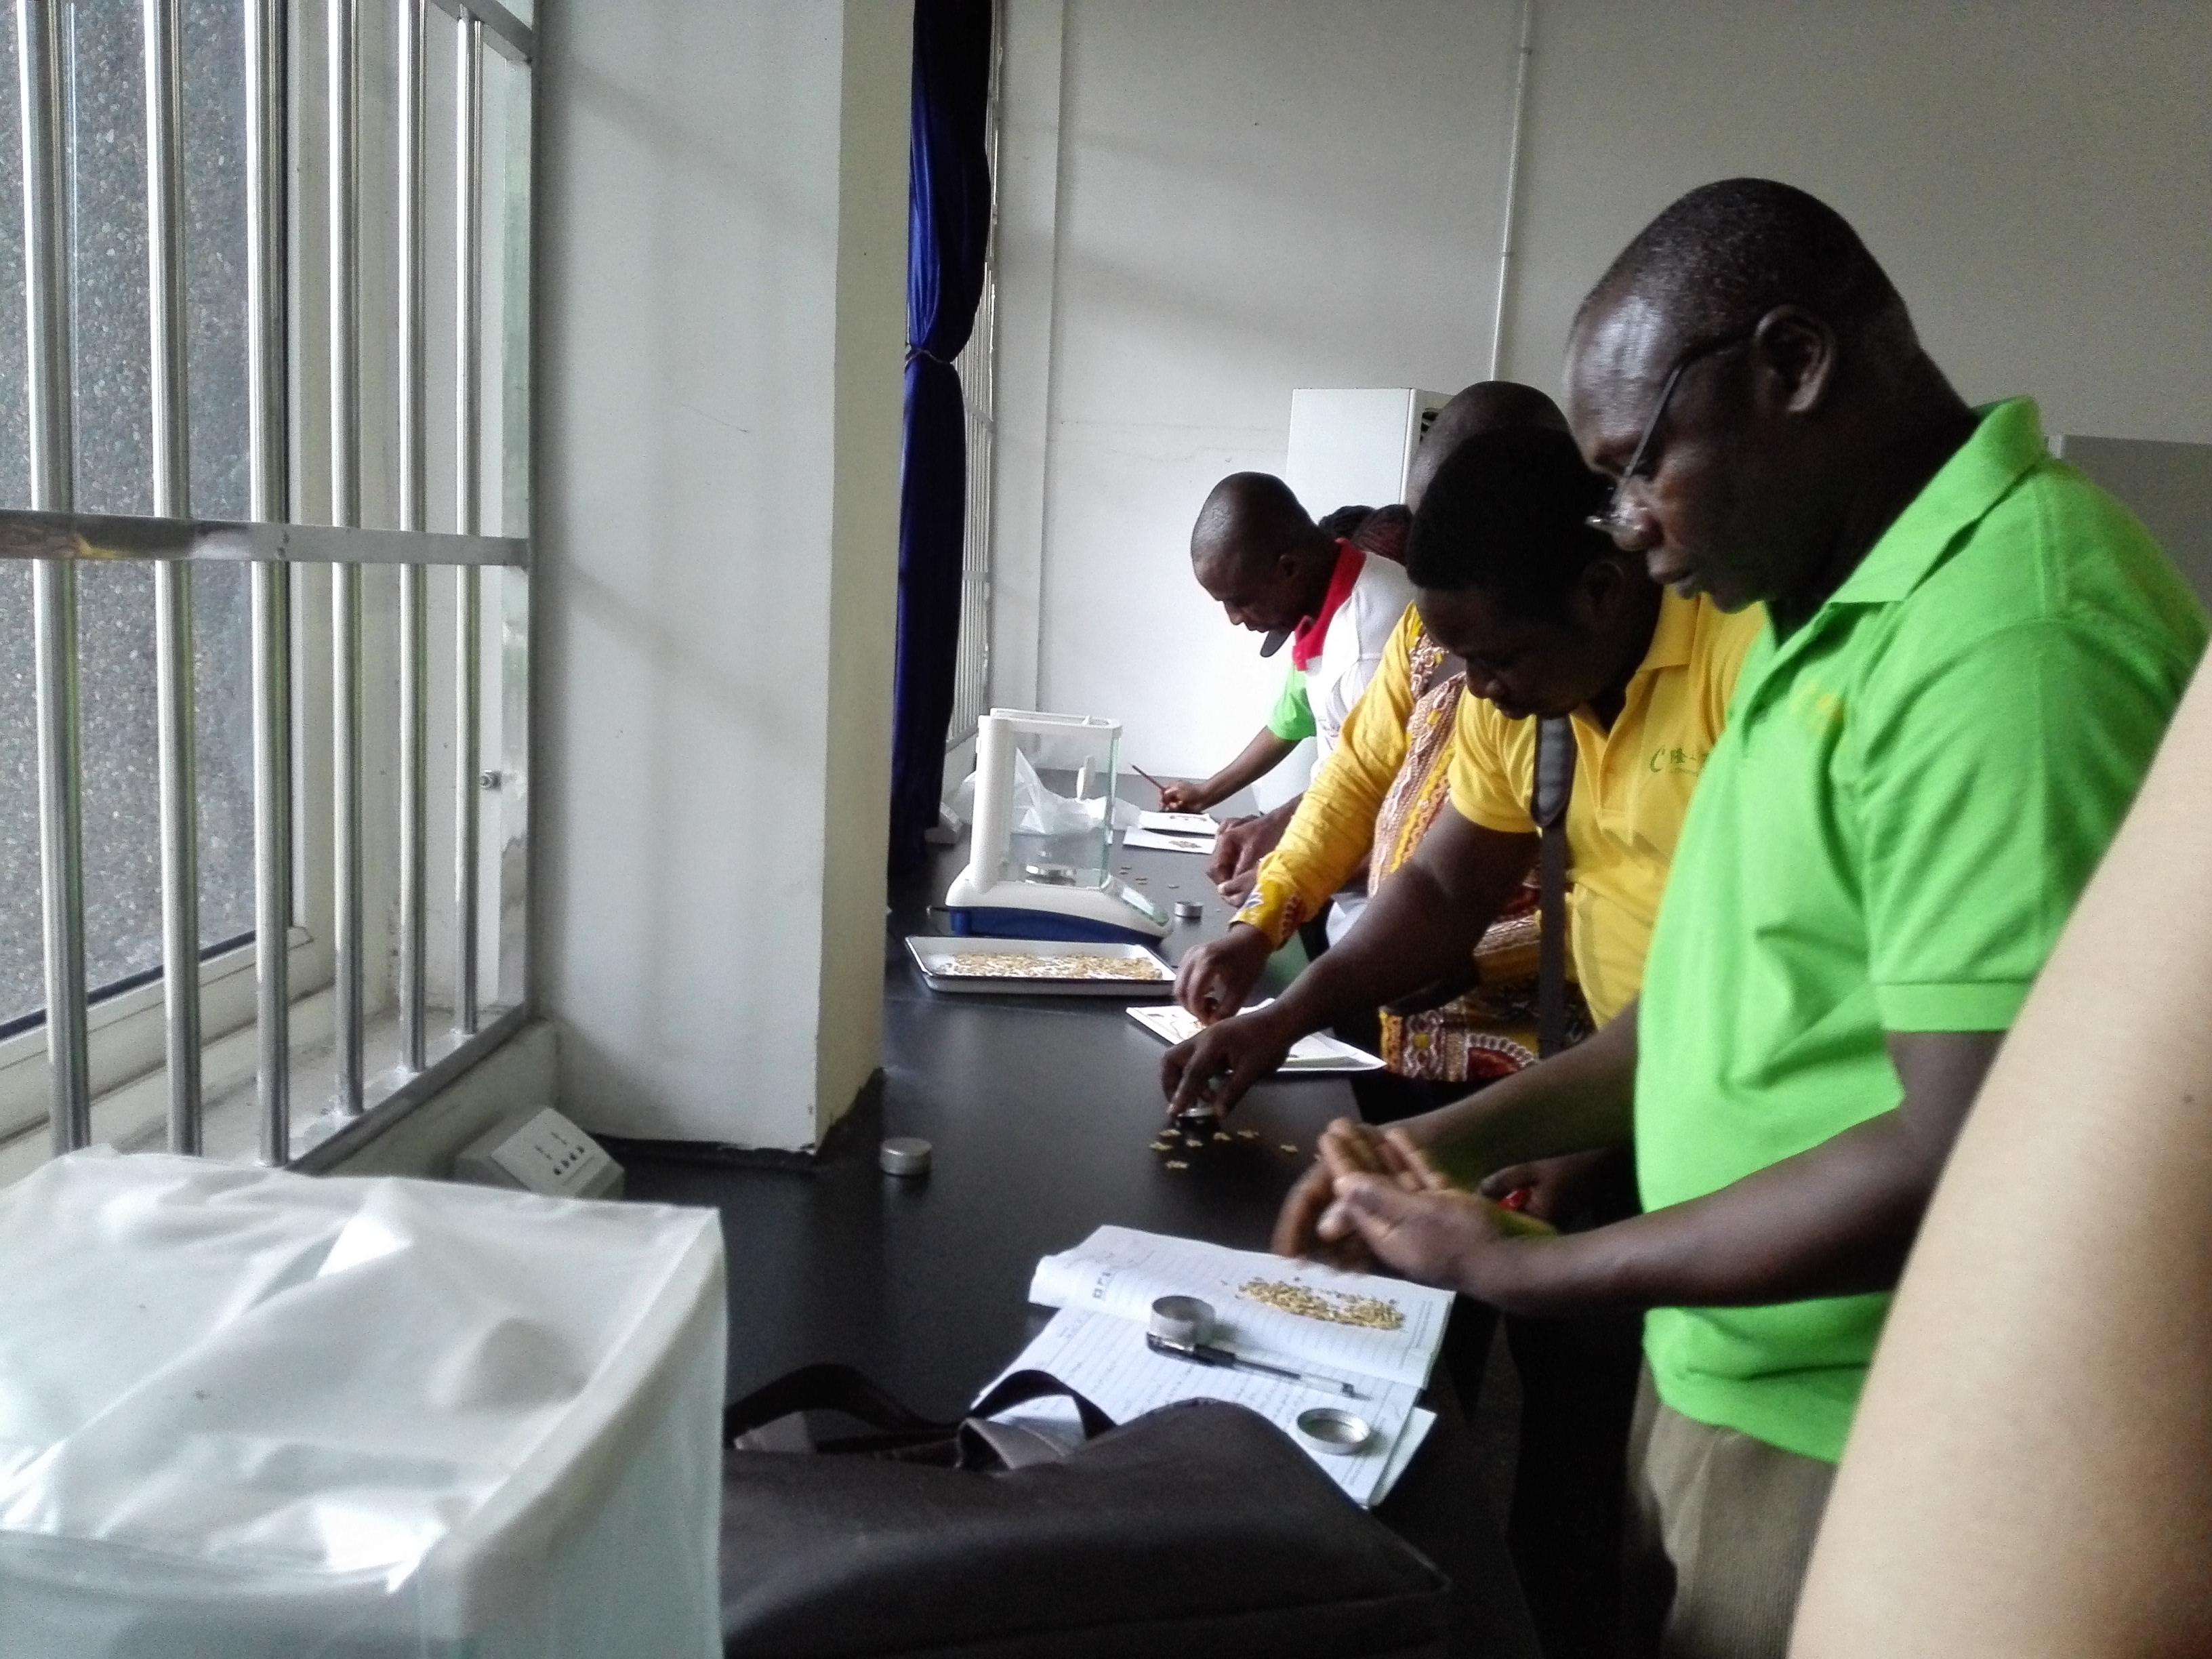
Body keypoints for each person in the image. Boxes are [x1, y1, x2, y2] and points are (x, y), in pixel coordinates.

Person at [1277, 178, 2208, 1659]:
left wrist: (1531, 1270)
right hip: (1729, 1369)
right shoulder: (1821, 611)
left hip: (1863, 1423)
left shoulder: (2014, 643)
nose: (1633, 533)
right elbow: (1703, 1021)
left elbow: (1968, 1159)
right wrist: (1443, 1145)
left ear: (1792, 363)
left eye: (1636, 467)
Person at [1167, 419, 1762, 1659]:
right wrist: (1284, 1008)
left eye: (1494, 660)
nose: (1473, 691)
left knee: (1618, 1474)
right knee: (1567, 1438)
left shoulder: (1742, 663)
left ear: (1601, 591)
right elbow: (1440, 884)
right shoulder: (1512, 674)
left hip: (1719, 1119)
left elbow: (1734, 986)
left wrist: (1568, 1135)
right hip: (1611, 1084)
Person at [1789, 654, 2212, 1656]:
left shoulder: (2024, 648)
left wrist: (1550, 1268)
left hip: (1825, 1400)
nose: (1659, 570)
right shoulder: (1805, 637)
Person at [1174, 474, 1418, 924]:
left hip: (1392, 914)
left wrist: (1288, 871)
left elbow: (1402, 811)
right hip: (1354, 894)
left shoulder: (1367, 648)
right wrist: (1278, 828)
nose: (1234, 619)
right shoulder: (1335, 597)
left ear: (1288, 568)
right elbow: (1351, 773)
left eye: (1239, 601)